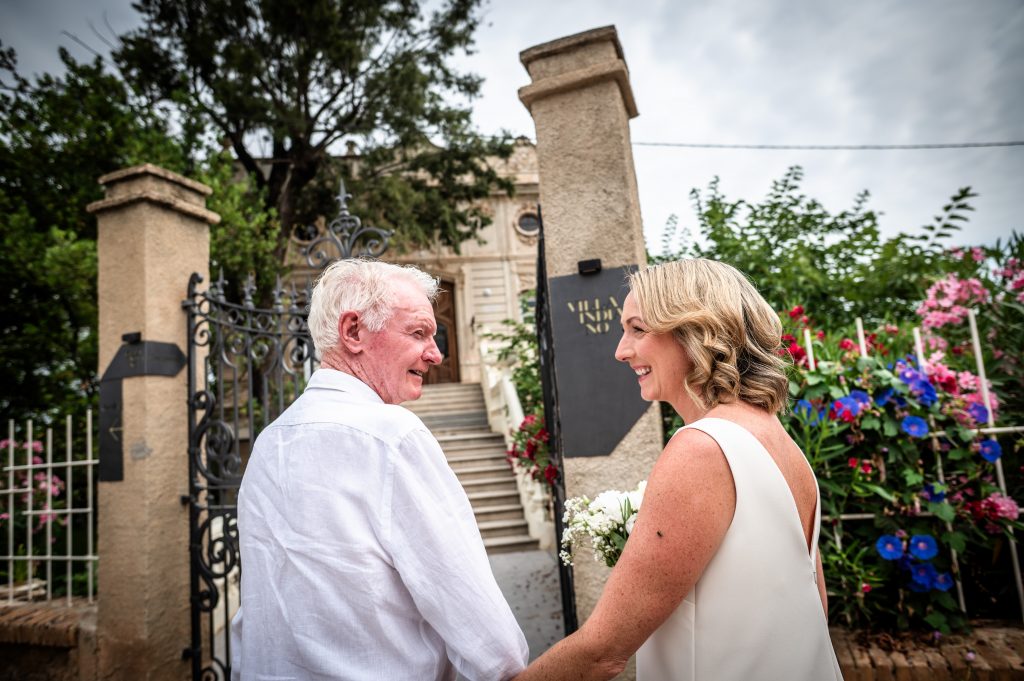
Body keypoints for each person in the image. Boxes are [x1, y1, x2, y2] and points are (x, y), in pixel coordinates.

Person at [515, 258, 842, 681]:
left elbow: (603, 652)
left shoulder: (702, 448)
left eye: (637, 329)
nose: (621, 351)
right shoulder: (779, 441)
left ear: (696, 330)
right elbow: (814, 608)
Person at [231, 258, 528, 681]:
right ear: (353, 332)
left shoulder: (268, 443)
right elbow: (493, 645)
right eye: (418, 333)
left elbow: (258, 609)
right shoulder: (392, 437)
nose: (436, 354)